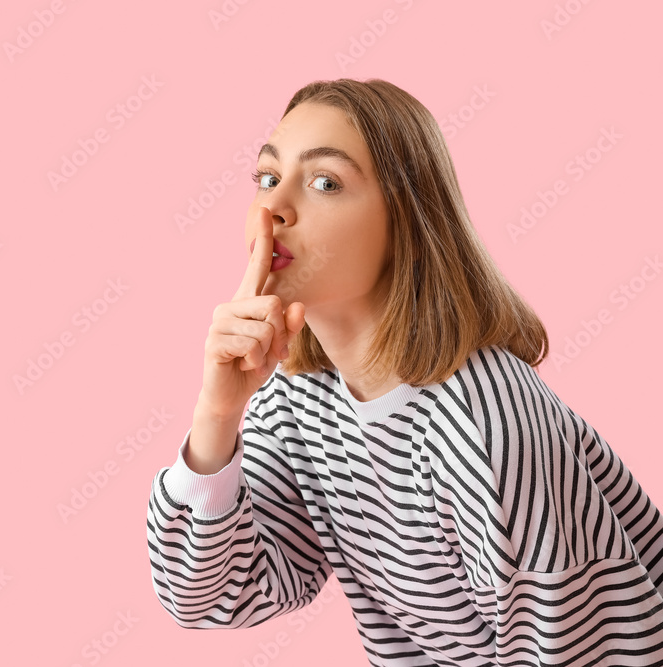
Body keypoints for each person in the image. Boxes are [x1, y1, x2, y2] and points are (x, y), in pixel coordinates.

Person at [145, 78, 663, 666]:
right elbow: (207, 597)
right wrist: (218, 414)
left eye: (324, 183)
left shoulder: (483, 426)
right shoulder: (296, 402)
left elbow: (584, 652)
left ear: (406, 223)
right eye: (267, 178)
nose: (273, 207)